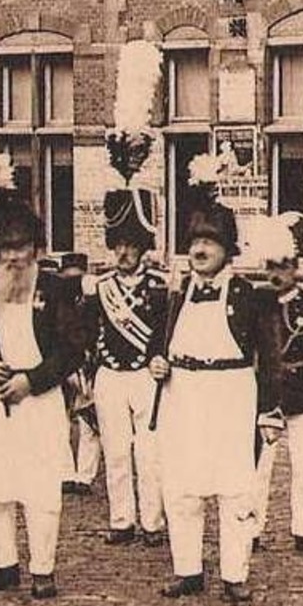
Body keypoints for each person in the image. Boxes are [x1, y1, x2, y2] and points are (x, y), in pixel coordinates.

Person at [0, 201, 85, 600]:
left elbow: (71, 349)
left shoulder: (55, 289)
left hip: (37, 400)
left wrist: (33, 380)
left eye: (21, 248)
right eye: (6, 249)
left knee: (40, 485)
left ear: (36, 250)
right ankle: (3, 564)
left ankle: (42, 568)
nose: (13, 257)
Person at [153, 190, 281, 604]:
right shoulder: (174, 295)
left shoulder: (250, 297)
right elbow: (160, 344)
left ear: (228, 251)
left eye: (210, 243)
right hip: (184, 393)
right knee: (181, 486)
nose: (201, 250)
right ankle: (187, 569)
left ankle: (234, 573)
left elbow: (271, 359)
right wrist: (159, 362)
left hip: (231, 394)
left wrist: (269, 410)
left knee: (235, 487)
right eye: (195, 243)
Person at [89, 188, 171, 546]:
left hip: (145, 375)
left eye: (131, 245)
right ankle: (121, 520)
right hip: (109, 374)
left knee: (150, 453)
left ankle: (153, 522)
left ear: (142, 248)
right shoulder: (100, 287)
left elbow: (168, 332)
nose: (123, 252)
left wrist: (161, 358)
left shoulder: (159, 288)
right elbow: (84, 331)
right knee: (117, 451)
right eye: (119, 244)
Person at [248, 226, 303, 556]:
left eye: (282, 267)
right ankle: (252, 527)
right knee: (258, 468)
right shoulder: (257, 305)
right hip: (267, 396)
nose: (275, 274)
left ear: (295, 268)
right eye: (270, 267)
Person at [57, 252, 102, 497]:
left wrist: (88, 362)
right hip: (62, 367)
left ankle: (84, 476)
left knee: (89, 422)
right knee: (59, 422)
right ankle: (65, 473)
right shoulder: (55, 303)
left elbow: (97, 333)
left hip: (87, 365)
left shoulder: (94, 302)